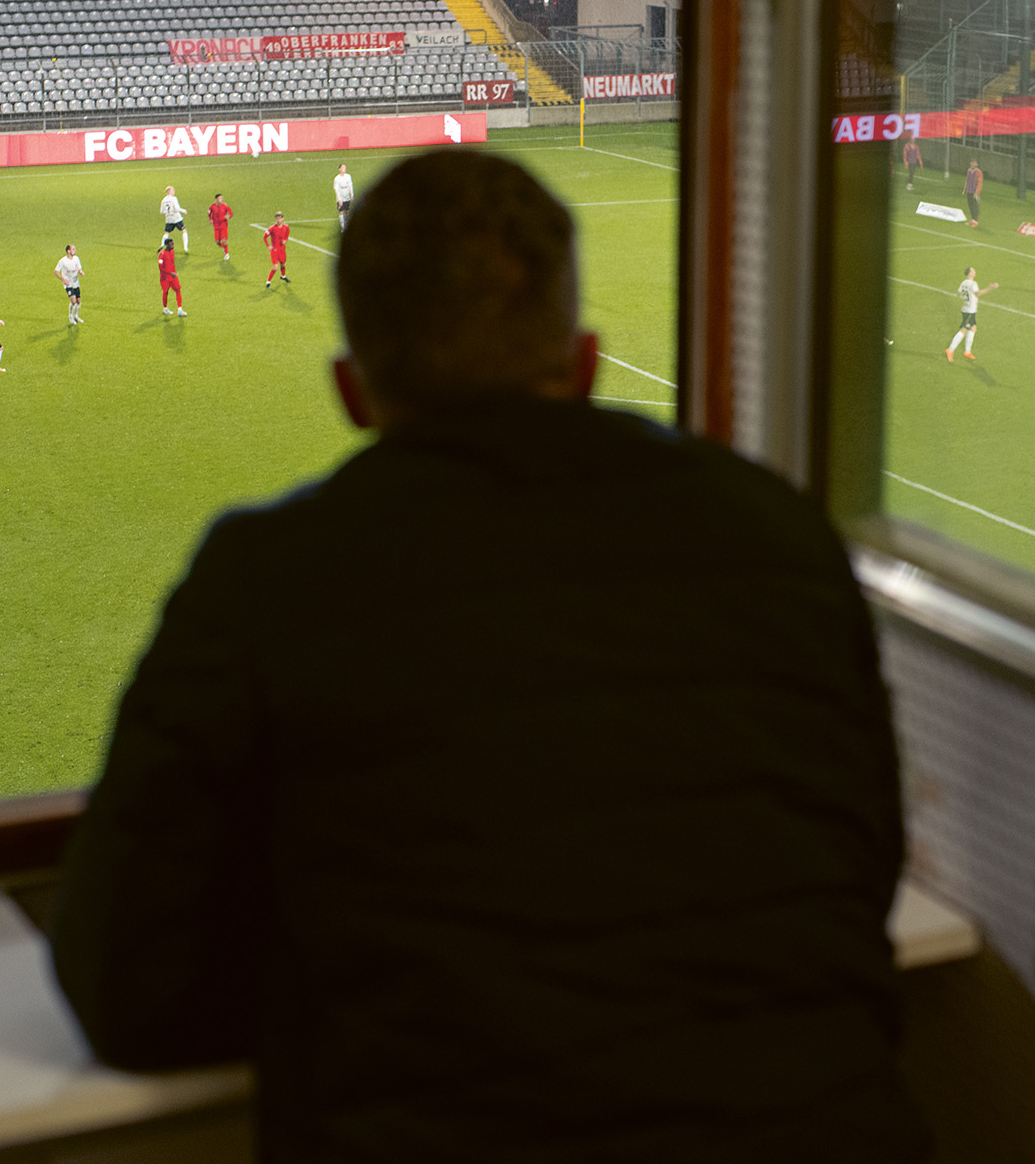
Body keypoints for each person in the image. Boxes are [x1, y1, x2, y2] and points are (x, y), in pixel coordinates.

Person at [52, 149, 925, 1163]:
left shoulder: (269, 576)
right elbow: (861, 861)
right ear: (586, 363)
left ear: (352, 392)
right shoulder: (780, 532)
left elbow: (127, 983)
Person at [946, 264, 996, 362]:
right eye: (973, 271)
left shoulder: (963, 283)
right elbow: (978, 294)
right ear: (970, 273)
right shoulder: (973, 284)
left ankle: (967, 352)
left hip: (966, 309)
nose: (975, 272)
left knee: (973, 328)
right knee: (964, 330)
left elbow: (959, 293)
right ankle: (950, 350)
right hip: (969, 311)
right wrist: (990, 288)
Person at [257, 209, 289, 288]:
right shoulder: (272, 228)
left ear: (283, 218)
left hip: (282, 249)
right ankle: (268, 282)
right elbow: (265, 237)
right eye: (277, 218)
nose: (278, 220)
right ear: (275, 219)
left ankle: (283, 276)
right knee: (275, 267)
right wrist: (268, 246)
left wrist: (285, 240)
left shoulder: (286, 227)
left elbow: (287, 234)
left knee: (283, 264)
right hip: (274, 250)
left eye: (280, 218)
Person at [56, 244, 85, 325]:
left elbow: (79, 268)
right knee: (73, 301)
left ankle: (76, 315)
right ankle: (70, 316)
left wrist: (81, 272)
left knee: (78, 301)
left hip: (76, 283)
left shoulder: (76, 259)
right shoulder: (63, 261)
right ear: (68, 251)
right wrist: (63, 280)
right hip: (68, 284)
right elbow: (56, 271)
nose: (74, 251)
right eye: (73, 249)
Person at [156, 236, 185, 316]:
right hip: (165, 278)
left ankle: (180, 309)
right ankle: (165, 309)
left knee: (178, 290)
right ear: (167, 245)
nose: (173, 245)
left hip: (173, 276)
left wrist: (173, 273)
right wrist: (170, 273)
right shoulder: (161, 255)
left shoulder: (172, 251)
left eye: (173, 244)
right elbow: (160, 268)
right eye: (171, 244)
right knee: (165, 292)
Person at [160, 185, 189, 255]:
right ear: (169, 191)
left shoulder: (163, 200)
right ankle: (185, 247)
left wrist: (168, 212)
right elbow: (176, 208)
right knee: (184, 231)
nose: (174, 192)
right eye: (173, 190)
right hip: (176, 218)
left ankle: (161, 245)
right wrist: (183, 210)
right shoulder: (173, 199)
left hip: (168, 219)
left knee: (166, 233)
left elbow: (161, 211)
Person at [206, 192, 232, 260]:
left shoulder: (225, 205)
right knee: (217, 242)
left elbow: (231, 213)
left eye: (222, 198)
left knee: (223, 241)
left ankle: (227, 254)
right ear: (216, 199)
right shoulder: (212, 206)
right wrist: (210, 219)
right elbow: (209, 212)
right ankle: (224, 248)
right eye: (220, 198)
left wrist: (228, 216)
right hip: (216, 226)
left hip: (223, 226)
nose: (221, 200)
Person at [332, 160, 354, 228]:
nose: (345, 169)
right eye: (343, 168)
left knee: (347, 211)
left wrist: (352, 194)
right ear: (339, 169)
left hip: (347, 196)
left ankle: (347, 224)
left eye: (345, 168)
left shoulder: (348, 176)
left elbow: (350, 185)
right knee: (341, 211)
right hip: (341, 197)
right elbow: (336, 189)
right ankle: (343, 227)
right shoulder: (337, 178)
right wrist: (339, 199)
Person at [963, 157, 983, 228]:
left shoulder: (978, 172)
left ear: (976, 164)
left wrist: (977, 193)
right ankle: (972, 219)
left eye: (974, 162)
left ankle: (975, 221)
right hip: (969, 190)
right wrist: (964, 189)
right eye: (972, 162)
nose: (973, 164)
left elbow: (980, 183)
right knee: (970, 206)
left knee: (975, 206)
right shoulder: (968, 171)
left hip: (974, 192)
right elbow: (967, 180)